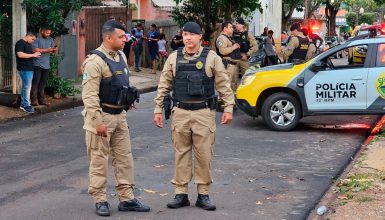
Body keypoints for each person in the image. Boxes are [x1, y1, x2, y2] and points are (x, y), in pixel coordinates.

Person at [153, 21, 234, 211]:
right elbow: (163, 86)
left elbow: (223, 84)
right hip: (180, 113)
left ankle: (203, 195)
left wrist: (228, 107)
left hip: (203, 113)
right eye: (185, 34)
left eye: (191, 34)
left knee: (204, 155)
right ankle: (180, 194)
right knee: (181, 154)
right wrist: (158, 109)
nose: (187, 38)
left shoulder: (211, 57)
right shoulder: (174, 58)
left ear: (200, 37)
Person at [81, 19, 150, 217]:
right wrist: (97, 122)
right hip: (101, 117)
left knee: (124, 158)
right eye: (121, 37)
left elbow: (120, 83)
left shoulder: (119, 55)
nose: (124, 40)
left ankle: (127, 198)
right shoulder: (95, 61)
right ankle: (100, 199)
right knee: (98, 159)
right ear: (108, 38)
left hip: (119, 116)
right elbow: (89, 95)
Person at [15, 32, 41, 113]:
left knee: (26, 87)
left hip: (29, 68)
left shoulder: (27, 44)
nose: (33, 41)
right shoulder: (20, 43)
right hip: (24, 68)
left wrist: (34, 54)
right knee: (27, 87)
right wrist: (33, 55)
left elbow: (26, 54)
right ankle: (26, 105)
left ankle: (24, 104)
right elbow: (20, 54)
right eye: (32, 39)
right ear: (29, 36)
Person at [30, 27, 57, 106]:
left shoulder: (50, 39)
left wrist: (54, 49)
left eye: (49, 33)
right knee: (35, 83)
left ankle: (41, 100)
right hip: (37, 64)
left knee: (42, 83)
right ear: (42, 31)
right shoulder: (36, 38)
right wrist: (47, 50)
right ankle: (34, 101)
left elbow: (53, 49)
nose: (48, 35)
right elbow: (35, 49)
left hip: (46, 65)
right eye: (46, 33)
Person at [216, 21, 241, 93]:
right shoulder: (221, 38)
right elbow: (222, 51)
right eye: (230, 27)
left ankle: (232, 102)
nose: (232, 29)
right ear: (225, 29)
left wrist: (236, 47)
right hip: (227, 65)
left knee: (233, 87)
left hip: (233, 65)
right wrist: (233, 47)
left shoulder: (228, 38)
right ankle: (223, 103)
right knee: (225, 86)